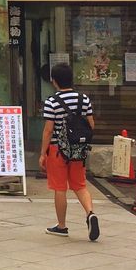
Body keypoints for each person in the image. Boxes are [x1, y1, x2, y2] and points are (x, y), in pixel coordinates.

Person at [40, 62, 99, 240]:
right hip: (78, 150)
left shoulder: (52, 102)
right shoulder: (84, 99)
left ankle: (62, 225)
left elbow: (48, 130)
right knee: (80, 185)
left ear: (54, 81)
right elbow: (91, 124)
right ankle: (90, 213)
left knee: (60, 188)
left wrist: (43, 153)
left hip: (58, 149)